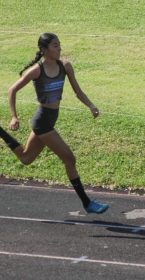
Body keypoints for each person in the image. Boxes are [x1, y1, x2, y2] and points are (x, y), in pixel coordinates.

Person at [0, 32, 109, 214]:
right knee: (69, 158)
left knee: (26, 158)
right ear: (44, 50)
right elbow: (12, 90)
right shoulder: (36, 70)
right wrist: (14, 116)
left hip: (49, 120)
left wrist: (91, 105)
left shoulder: (65, 66)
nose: (59, 49)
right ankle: (87, 203)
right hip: (42, 122)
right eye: (55, 46)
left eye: (60, 45)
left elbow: (77, 91)